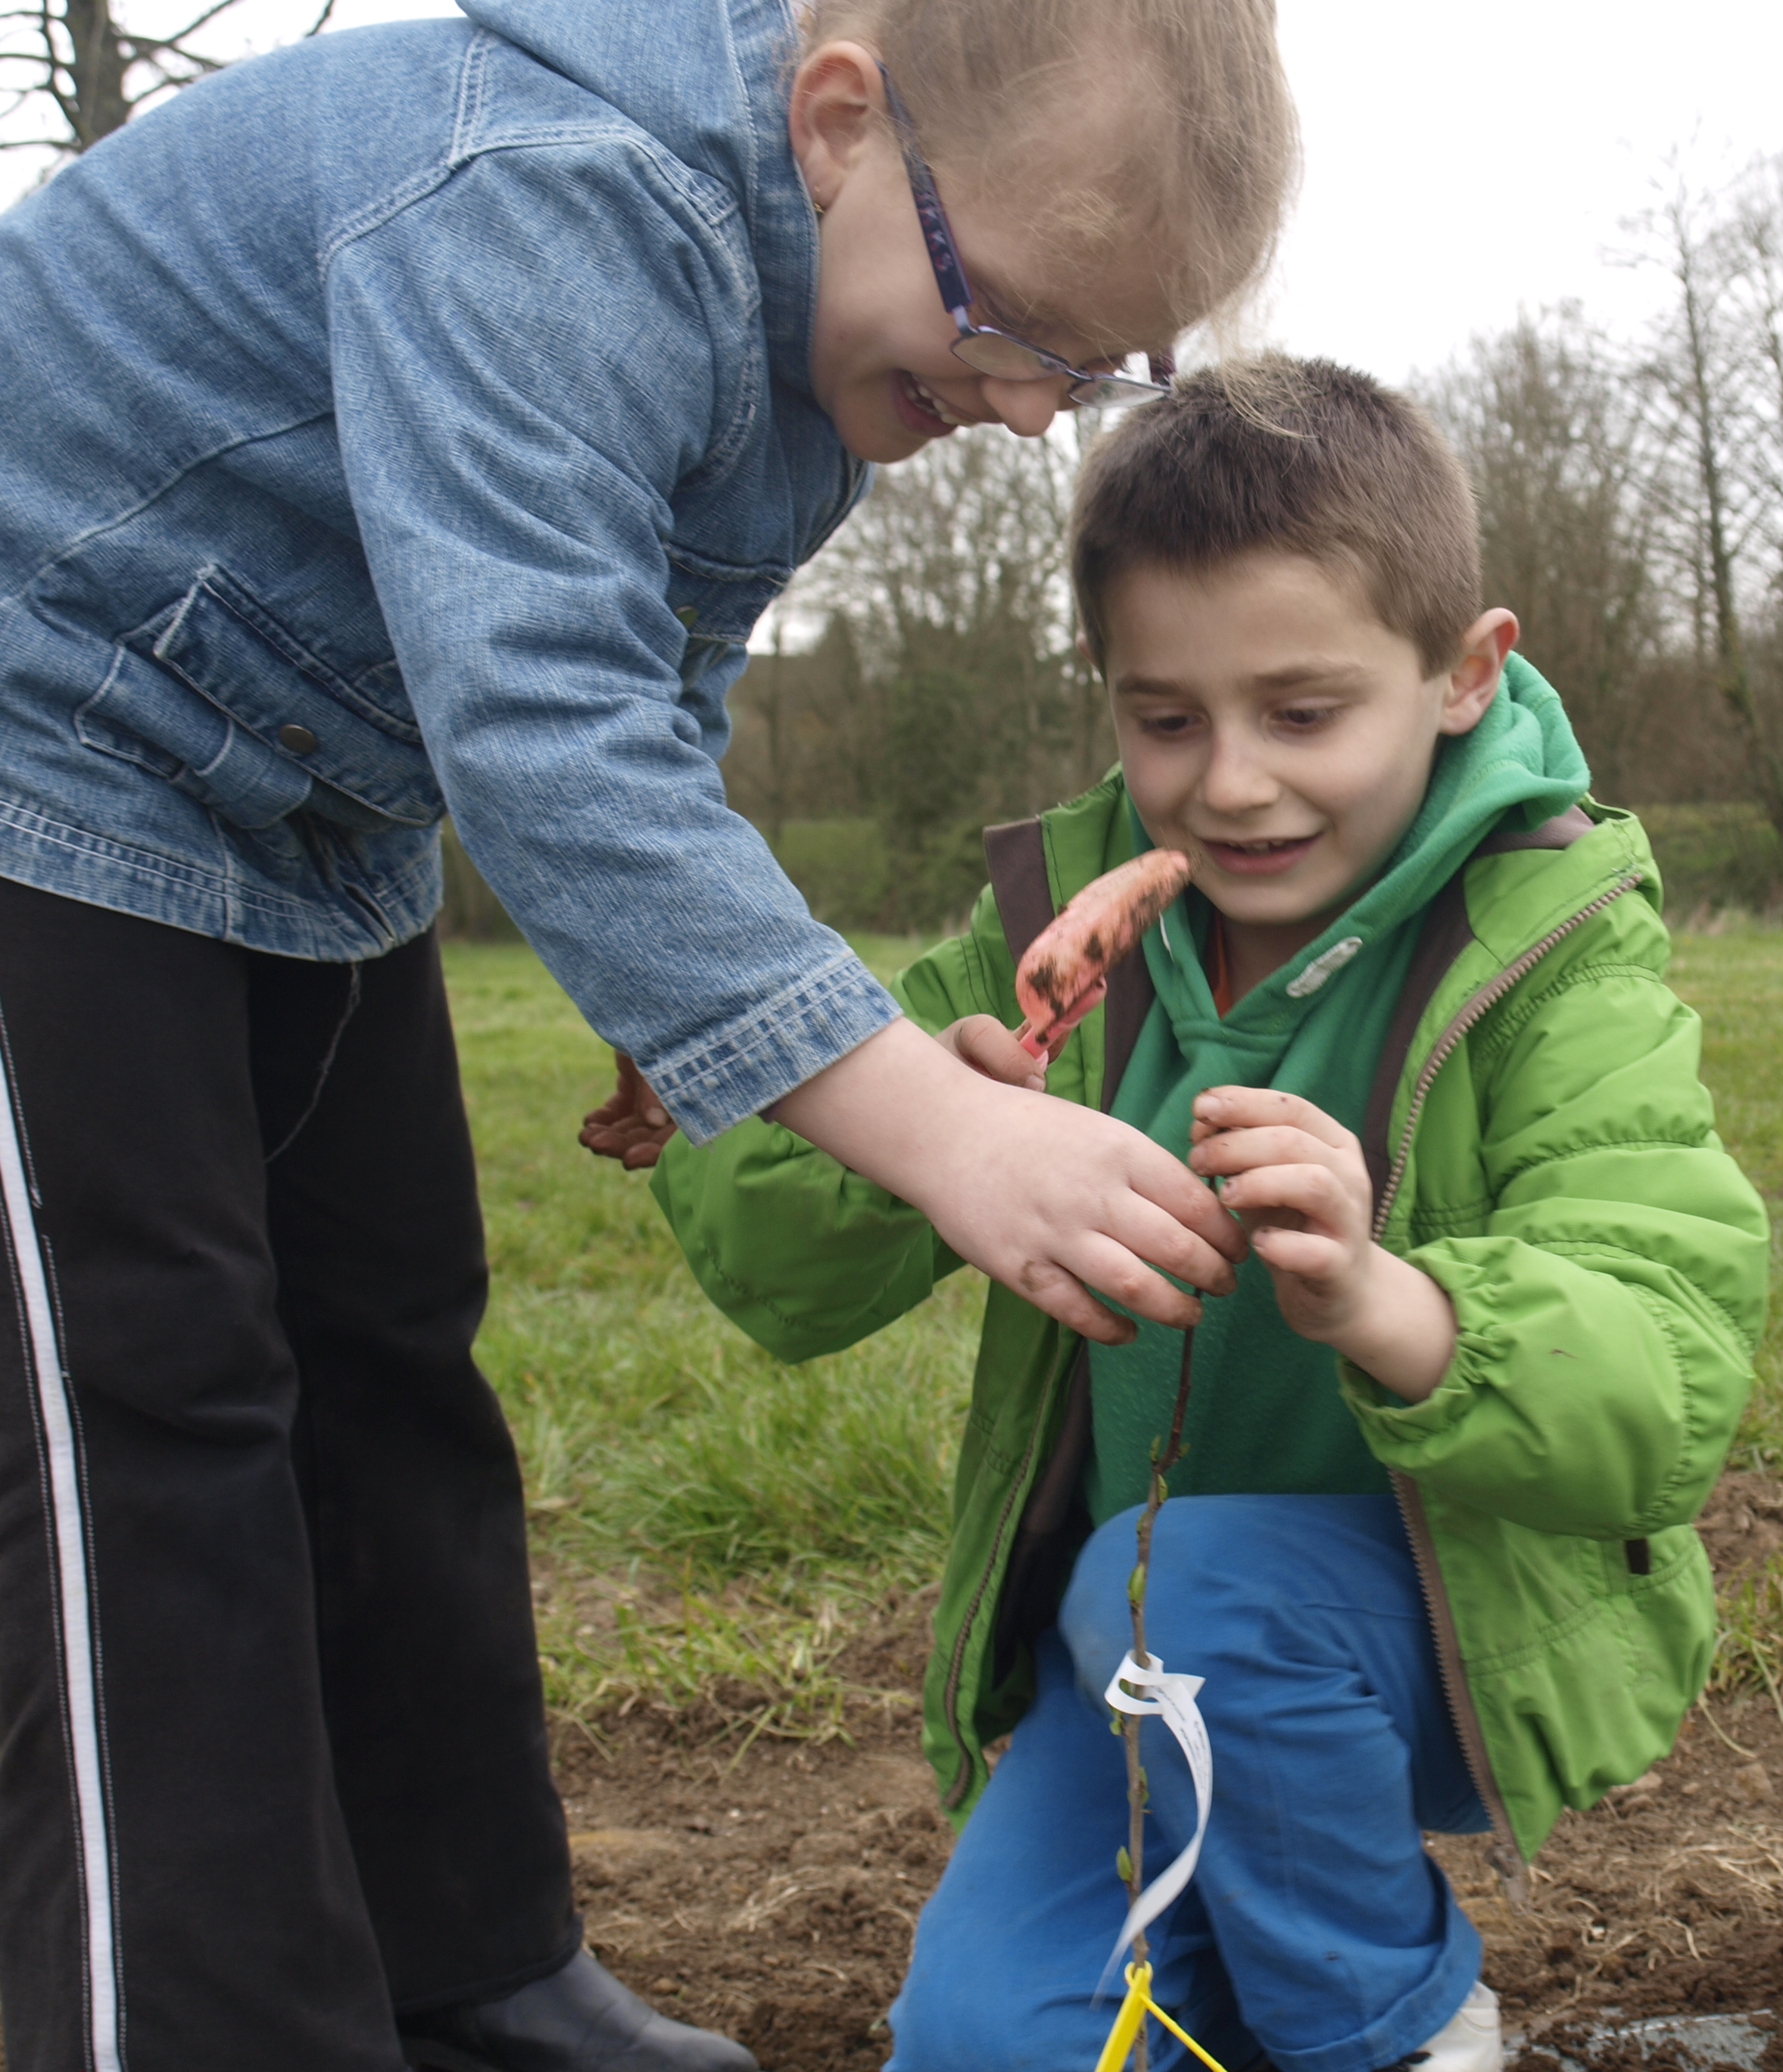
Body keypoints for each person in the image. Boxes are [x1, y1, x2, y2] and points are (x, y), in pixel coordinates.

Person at [0, 2, 1292, 2065]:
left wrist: (666, 993)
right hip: (37, 762)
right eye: (1012, 325)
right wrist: (933, 1124)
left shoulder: (828, 350)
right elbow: (539, 715)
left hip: (297, 810)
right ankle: (206, 2019)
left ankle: (466, 1969)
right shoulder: (543, 191)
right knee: (152, 1421)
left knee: (391, 1364)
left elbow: (648, 661)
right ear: (840, 122)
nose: (1025, 413)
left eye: (1089, 370)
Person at [647, 358, 1770, 2072]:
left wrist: (1387, 1297)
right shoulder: (1055, 926)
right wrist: (922, 1135)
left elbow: (1670, 1369)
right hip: (1137, 1648)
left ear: (1465, 674)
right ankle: (1234, 1932)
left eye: (1304, 715)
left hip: (1449, 1626)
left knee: (1203, 1594)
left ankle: (1397, 2027)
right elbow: (768, 1253)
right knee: (986, 2048)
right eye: (1166, 720)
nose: (1232, 784)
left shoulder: (1552, 939)